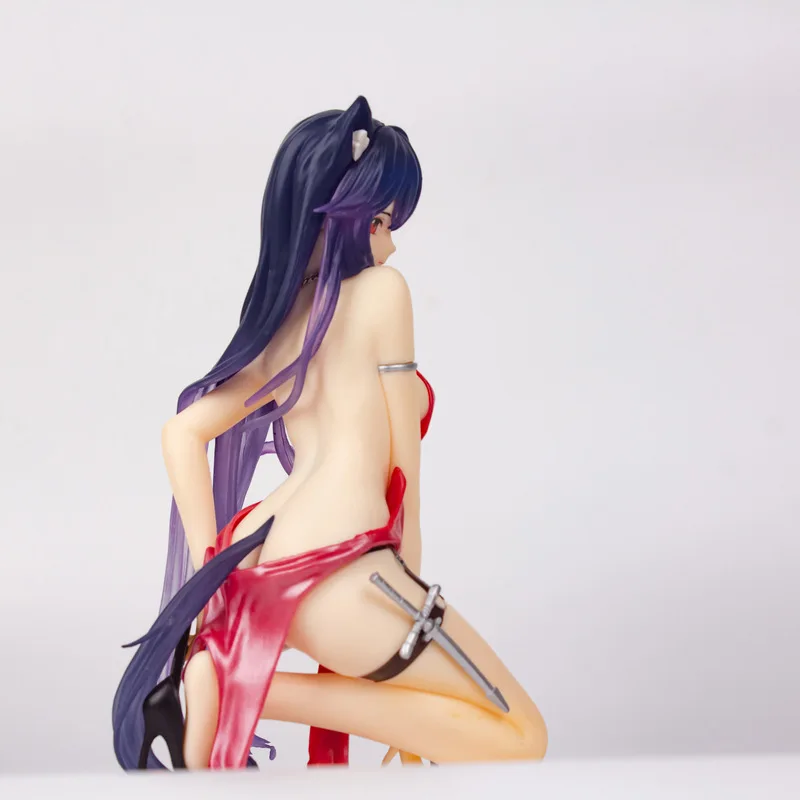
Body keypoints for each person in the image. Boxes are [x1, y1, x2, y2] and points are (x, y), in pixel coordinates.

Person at [112, 96, 548, 771]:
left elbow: (181, 434)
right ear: (336, 218)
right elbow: (405, 470)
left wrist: (210, 575)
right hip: (348, 567)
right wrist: (411, 567)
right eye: (379, 222)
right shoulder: (384, 292)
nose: (391, 244)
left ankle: (227, 677)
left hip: (264, 562)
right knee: (521, 735)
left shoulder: (284, 325)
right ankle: (244, 689)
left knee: (479, 727)